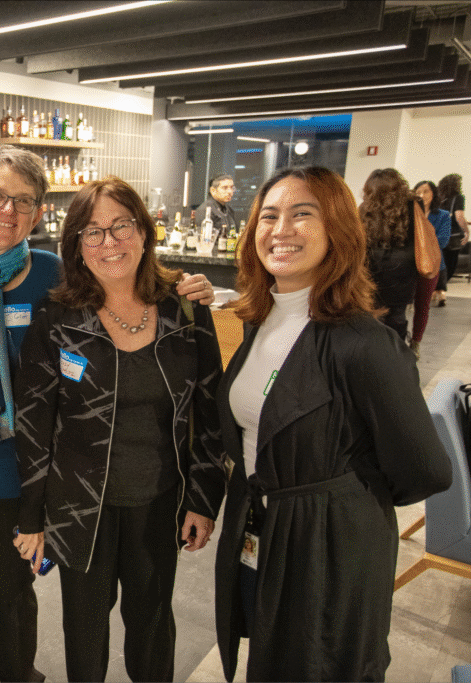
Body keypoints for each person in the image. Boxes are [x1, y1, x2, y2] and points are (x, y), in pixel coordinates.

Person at [0, 146, 217, 682]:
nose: (9, 211)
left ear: (41, 214)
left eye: (25, 201)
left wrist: (189, 290)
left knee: (15, 599)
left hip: (14, 476)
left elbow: (200, 404)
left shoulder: (55, 277)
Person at [215, 166, 452, 682]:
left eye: (303, 214)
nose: (281, 230)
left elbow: (426, 470)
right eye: (270, 216)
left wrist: (340, 496)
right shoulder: (261, 319)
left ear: (338, 230)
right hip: (265, 536)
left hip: (329, 554)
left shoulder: (365, 343)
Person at [13, 176, 226, 683]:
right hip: (78, 507)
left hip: (160, 503)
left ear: (144, 232)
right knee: (84, 630)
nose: (109, 243)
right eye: (92, 232)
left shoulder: (185, 309)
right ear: (76, 246)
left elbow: (209, 411)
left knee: (152, 625)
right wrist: (31, 517)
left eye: (120, 226)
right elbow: (33, 422)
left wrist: (203, 498)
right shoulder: (58, 316)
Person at [360, 168, 426, 341]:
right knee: (397, 315)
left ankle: (373, 354)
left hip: (371, 268)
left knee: (371, 314)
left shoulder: (364, 208)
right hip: (403, 269)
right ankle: (397, 354)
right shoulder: (413, 205)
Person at [411, 180, 450, 355]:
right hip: (408, 264)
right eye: (418, 191)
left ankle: (416, 342)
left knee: (423, 305)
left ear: (433, 194)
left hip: (431, 266)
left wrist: (419, 240)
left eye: (426, 191)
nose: (421, 195)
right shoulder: (408, 213)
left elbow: (443, 240)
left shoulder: (442, 215)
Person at [436, 172, 469, 305]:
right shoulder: (458, 197)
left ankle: (436, 290)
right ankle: (441, 291)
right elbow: (459, 217)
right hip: (452, 236)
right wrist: (467, 231)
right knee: (450, 265)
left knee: (439, 265)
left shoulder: (438, 197)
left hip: (437, 235)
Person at [199, 174, 238, 242]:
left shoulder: (229, 210)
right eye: (225, 188)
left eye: (232, 187)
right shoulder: (206, 210)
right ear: (213, 190)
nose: (230, 192)